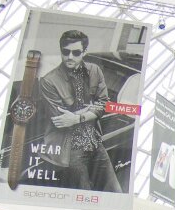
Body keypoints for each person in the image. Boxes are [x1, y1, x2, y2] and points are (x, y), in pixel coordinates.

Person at [38, 29, 122, 193]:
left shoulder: (95, 71)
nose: (70, 57)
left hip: (95, 143)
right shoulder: (49, 81)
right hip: (70, 150)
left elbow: (104, 103)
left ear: (84, 52)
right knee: (84, 197)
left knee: (115, 193)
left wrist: (78, 118)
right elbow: (60, 119)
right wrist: (91, 108)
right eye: (65, 52)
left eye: (76, 52)